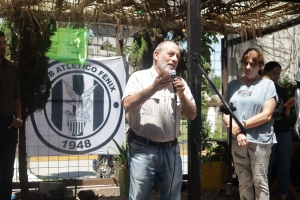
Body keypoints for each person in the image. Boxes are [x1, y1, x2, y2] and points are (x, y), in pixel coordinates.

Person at [122, 41, 196, 200]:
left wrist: (182, 95)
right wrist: (153, 87)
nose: (175, 59)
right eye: (170, 54)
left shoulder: (180, 82)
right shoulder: (139, 77)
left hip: (171, 150)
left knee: (172, 197)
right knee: (138, 196)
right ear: (156, 55)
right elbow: (127, 104)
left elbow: (192, 115)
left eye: (178, 56)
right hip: (143, 149)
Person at [222, 48, 277, 199]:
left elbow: (267, 115)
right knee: (243, 182)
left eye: (253, 64)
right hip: (237, 140)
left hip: (260, 141)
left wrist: (240, 127)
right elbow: (225, 112)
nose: (248, 67)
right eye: (245, 63)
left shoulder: (267, 85)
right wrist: (237, 132)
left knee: (260, 181)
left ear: (260, 66)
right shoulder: (233, 85)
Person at [263, 61, 293, 200]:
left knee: (284, 166)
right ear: (266, 73)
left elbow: (285, 115)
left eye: (278, 74)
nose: (276, 76)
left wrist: (287, 107)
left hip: (284, 132)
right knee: (266, 167)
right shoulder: (261, 89)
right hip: (268, 133)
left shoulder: (281, 90)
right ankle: (264, 196)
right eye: (274, 73)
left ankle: (283, 195)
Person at [0, 31, 23, 200]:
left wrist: (19, 119)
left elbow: (17, 96)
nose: (2, 46)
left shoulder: (12, 69)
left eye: (3, 43)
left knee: (7, 171)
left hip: (8, 126)